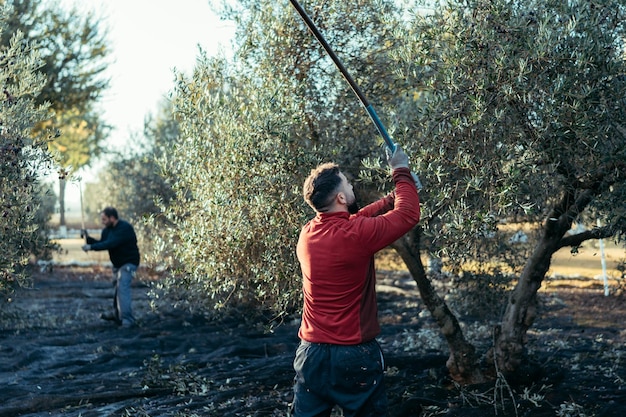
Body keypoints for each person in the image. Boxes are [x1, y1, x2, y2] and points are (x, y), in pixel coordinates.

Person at [290, 145, 421, 417]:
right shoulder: (356, 235)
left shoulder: (307, 234)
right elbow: (408, 214)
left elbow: (351, 221)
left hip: (310, 356)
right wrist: (401, 170)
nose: (352, 187)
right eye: (348, 184)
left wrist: (389, 199)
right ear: (340, 196)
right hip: (353, 356)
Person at [82, 207, 140, 328]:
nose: (102, 221)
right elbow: (102, 242)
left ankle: (127, 321)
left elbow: (110, 244)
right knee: (117, 289)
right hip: (117, 265)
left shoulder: (125, 228)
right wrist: (88, 239)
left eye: (104, 219)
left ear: (112, 218)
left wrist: (91, 248)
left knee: (122, 288)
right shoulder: (107, 231)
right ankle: (117, 314)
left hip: (129, 263)